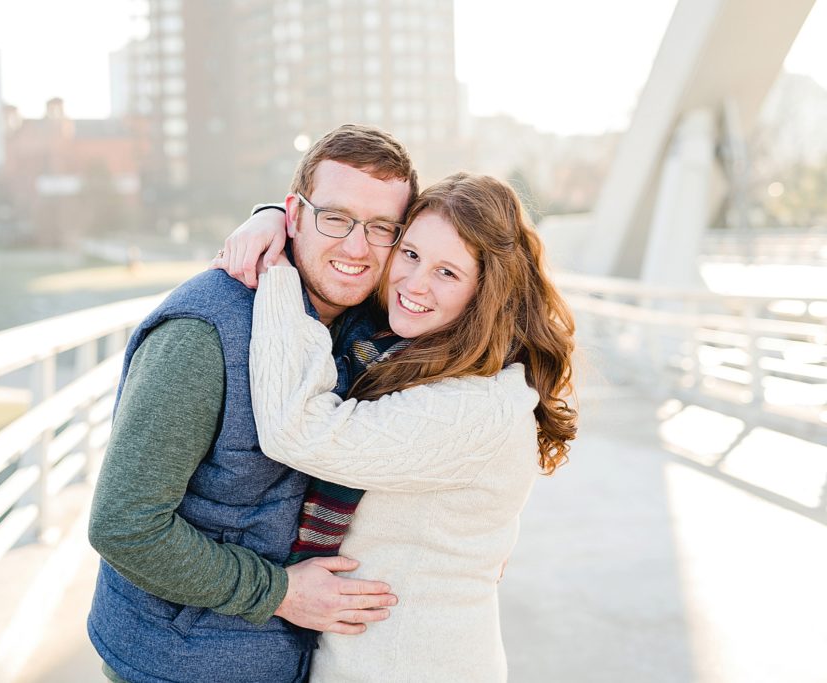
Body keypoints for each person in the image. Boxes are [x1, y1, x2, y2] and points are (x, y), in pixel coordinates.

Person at [86, 124, 419, 683]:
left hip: (288, 660)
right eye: (335, 218)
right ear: (294, 215)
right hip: (177, 666)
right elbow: (124, 526)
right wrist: (281, 592)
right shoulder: (201, 334)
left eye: (381, 227)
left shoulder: (374, 324)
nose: (357, 247)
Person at [218, 172, 577, 681]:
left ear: (485, 291)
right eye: (410, 254)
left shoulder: (476, 406)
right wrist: (277, 218)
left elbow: (295, 431)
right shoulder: (401, 354)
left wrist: (279, 272)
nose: (414, 283)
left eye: (447, 272)